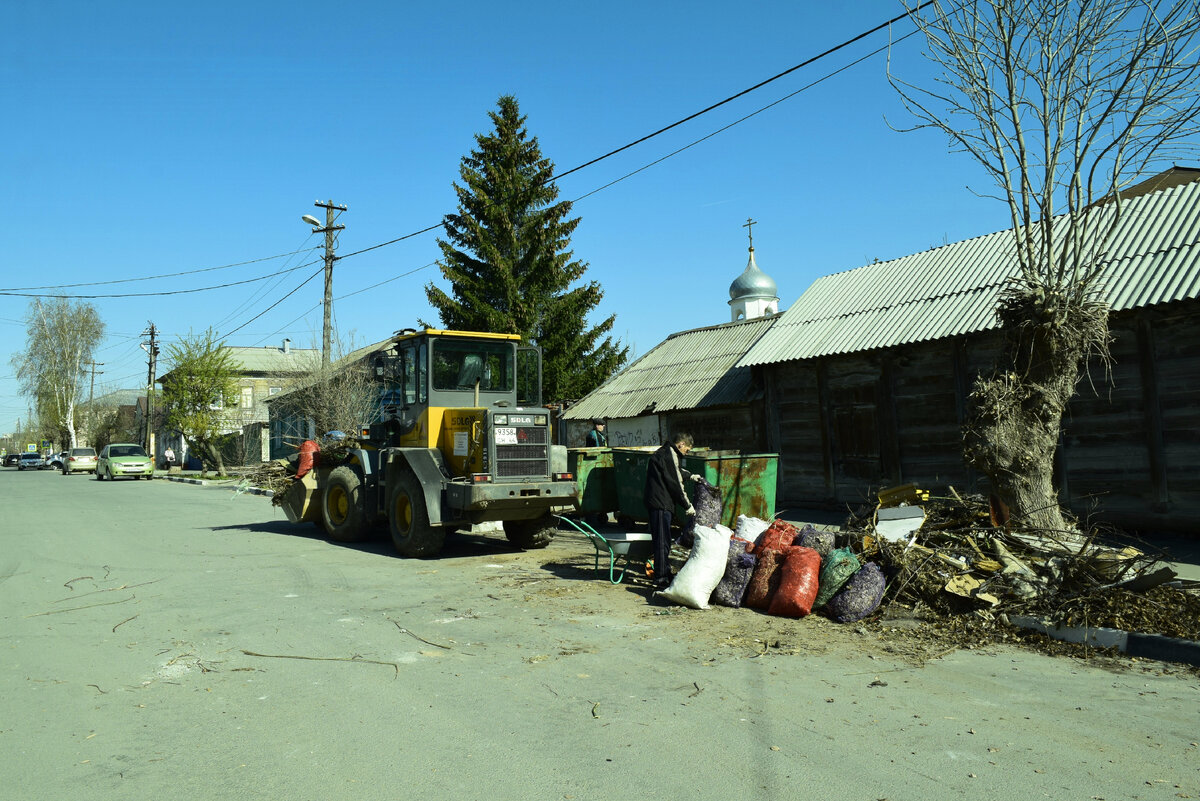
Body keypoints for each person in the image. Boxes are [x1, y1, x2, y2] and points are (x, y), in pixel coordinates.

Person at [643, 432, 702, 588]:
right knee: (662, 541)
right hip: (661, 503)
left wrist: (690, 476)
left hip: (658, 502)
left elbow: (674, 472)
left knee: (663, 540)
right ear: (681, 444)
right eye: (687, 450)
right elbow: (675, 482)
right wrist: (687, 505)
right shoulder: (669, 454)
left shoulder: (665, 452)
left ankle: (664, 571)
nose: (686, 453)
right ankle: (660, 577)